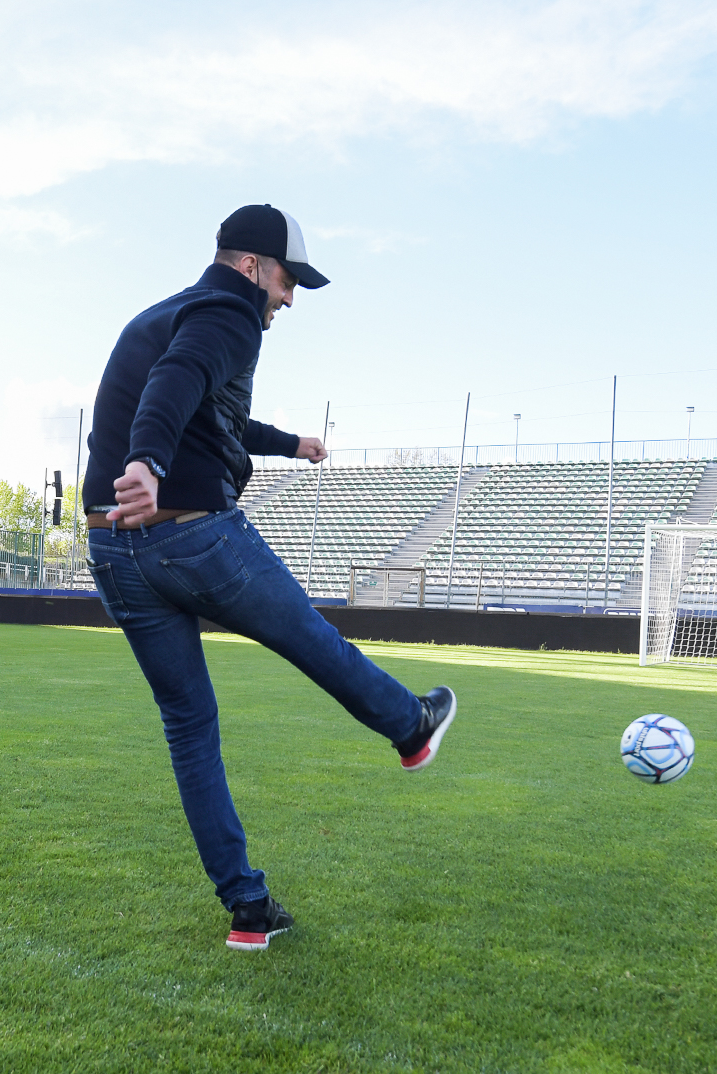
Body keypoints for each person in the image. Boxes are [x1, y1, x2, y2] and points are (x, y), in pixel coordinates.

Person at [80, 203, 457, 952]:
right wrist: (148, 463)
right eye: (287, 281)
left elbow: (209, 414)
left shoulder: (167, 313)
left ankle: (248, 912)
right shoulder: (228, 311)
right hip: (190, 535)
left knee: (190, 730)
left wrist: (293, 443)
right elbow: (177, 386)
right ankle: (410, 728)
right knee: (315, 640)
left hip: (112, 549)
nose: (288, 300)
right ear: (251, 265)